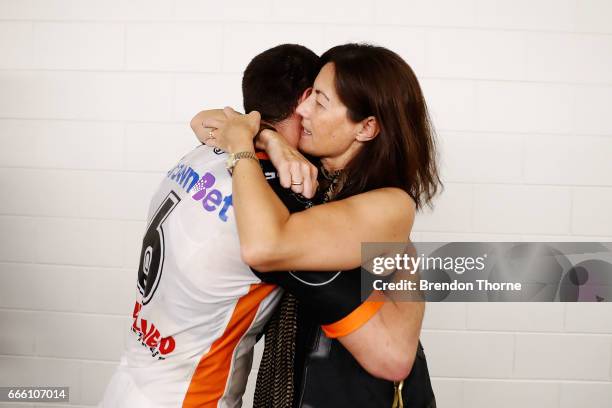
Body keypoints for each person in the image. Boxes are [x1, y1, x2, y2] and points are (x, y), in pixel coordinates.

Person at [201, 43, 441, 407]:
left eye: (320, 102)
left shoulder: (390, 205)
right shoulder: (315, 172)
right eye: (308, 95)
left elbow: (265, 246)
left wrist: (247, 149)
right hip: (296, 389)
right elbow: (208, 120)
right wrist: (270, 139)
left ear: (366, 128)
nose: (301, 110)